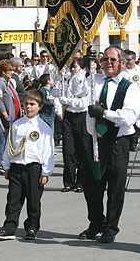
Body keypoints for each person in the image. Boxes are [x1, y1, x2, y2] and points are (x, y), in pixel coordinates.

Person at [78, 46, 140, 244]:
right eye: (104, 59)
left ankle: (110, 227)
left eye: (112, 59)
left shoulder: (129, 86)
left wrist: (105, 113)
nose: (107, 63)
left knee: (115, 188)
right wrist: (83, 65)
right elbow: (74, 93)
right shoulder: (92, 81)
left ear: (122, 62)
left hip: (116, 142)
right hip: (94, 140)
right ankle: (96, 222)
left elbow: (129, 116)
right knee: (90, 185)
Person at [0, 89, 54, 241]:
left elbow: (48, 150)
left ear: (39, 106)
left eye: (32, 104)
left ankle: (32, 227)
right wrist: (6, 165)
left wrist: (45, 172)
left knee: (33, 200)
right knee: (13, 199)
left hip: (34, 167)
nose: (28, 107)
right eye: (26, 104)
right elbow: (10, 145)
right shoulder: (17, 125)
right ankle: (9, 227)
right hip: (17, 166)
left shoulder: (43, 127)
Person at [55, 57, 88, 192]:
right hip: (68, 115)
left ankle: (81, 181)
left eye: (75, 67)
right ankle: (68, 181)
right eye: (71, 67)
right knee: (68, 150)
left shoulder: (85, 79)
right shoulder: (65, 79)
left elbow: (84, 100)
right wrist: (59, 110)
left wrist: (68, 101)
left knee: (82, 149)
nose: (72, 70)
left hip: (81, 115)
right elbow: (57, 95)